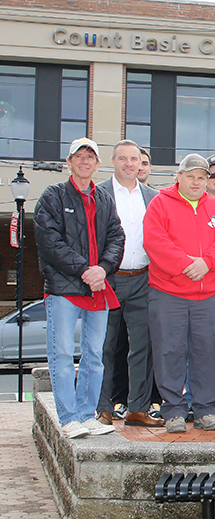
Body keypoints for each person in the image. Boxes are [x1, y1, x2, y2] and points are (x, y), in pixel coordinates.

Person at [36, 137, 125, 439]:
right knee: (61, 353)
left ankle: (88, 415)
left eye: (91, 157)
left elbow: (117, 237)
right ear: (69, 162)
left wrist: (103, 269)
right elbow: (50, 242)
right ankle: (68, 418)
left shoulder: (103, 199)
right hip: (64, 289)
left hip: (98, 287)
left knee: (94, 355)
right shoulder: (53, 196)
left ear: (97, 164)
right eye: (79, 157)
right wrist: (85, 269)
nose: (85, 161)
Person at [143, 154, 215, 433]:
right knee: (169, 352)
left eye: (201, 177)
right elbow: (155, 242)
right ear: (179, 177)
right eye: (191, 176)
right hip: (168, 292)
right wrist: (186, 265)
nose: (196, 182)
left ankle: (206, 410)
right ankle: (173, 411)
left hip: (207, 295)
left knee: (208, 353)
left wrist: (206, 263)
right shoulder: (160, 204)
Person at [96, 139, 162, 428]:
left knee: (142, 347)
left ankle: (138, 407)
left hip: (144, 279)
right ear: (113, 161)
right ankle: (103, 408)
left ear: (140, 163)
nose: (129, 164)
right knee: (105, 347)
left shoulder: (153, 197)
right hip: (109, 280)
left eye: (134, 159)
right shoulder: (98, 194)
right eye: (122, 158)